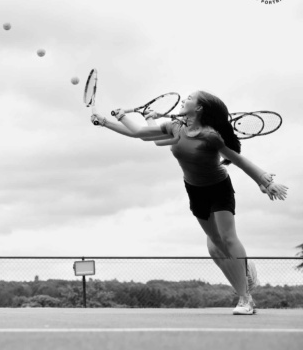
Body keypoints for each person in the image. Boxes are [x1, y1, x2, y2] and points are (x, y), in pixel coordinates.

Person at [91, 90, 288, 315]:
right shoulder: (176, 128)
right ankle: (246, 280)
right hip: (194, 190)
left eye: (189, 98)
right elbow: (140, 134)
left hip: (218, 188)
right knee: (214, 246)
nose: (184, 100)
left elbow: (238, 160)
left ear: (200, 108)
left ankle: (244, 298)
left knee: (227, 237)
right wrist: (107, 120)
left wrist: (265, 181)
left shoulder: (210, 136)